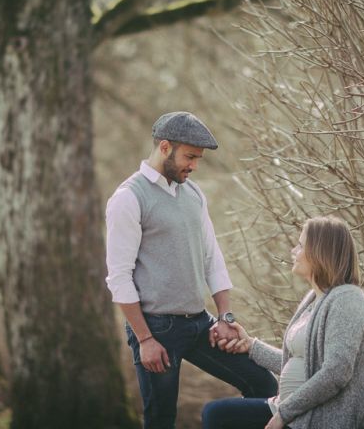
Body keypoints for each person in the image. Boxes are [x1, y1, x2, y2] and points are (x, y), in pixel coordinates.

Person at [105, 111, 278, 428]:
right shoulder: (128, 198)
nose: (194, 166)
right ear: (166, 147)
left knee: (263, 386)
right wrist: (145, 340)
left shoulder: (194, 194)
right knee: (160, 419)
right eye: (190, 157)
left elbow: (212, 257)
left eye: (198, 159)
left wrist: (225, 317)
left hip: (200, 324)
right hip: (156, 329)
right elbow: (119, 277)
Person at [202, 216, 364, 429]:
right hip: (289, 409)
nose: (293, 251)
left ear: (319, 252)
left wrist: (284, 414)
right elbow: (299, 363)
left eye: (300, 245)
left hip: (320, 417)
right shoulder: (314, 299)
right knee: (217, 413)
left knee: (219, 416)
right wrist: (251, 345)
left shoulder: (347, 300)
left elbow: (336, 374)